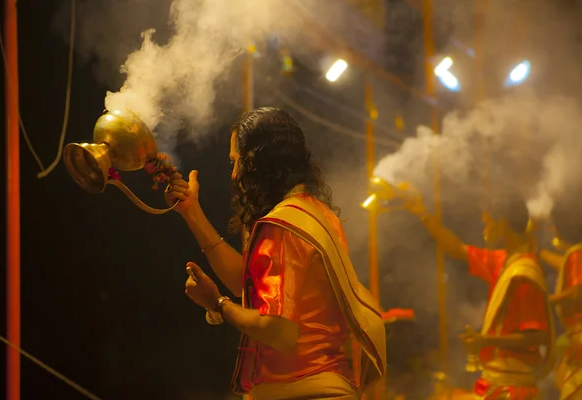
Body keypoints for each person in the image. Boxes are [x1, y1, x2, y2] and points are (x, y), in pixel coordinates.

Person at [164, 107, 386, 400]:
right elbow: (252, 288)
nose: (233, 175)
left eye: (236, 162)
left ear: (256, 162)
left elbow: (279, 330)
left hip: (301, 392)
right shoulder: (315, 214)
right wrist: (192, 213)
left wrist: (217, 303)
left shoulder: (283, 225)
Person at [404, 194, 555, 399]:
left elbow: (538, 336)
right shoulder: (502, 261)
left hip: (513, 389)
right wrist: (422, 213)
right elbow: (456, 248)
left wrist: (485, 340)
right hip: (496, 382)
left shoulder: (523, 273)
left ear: (502, 224)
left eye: (487, 223)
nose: (484, 230)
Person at [538, 201, 582, 400]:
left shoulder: (576, 253)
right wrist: (540, 253)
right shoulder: (575, 254)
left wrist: (549, 300)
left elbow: (577, 293)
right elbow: (567, 267)